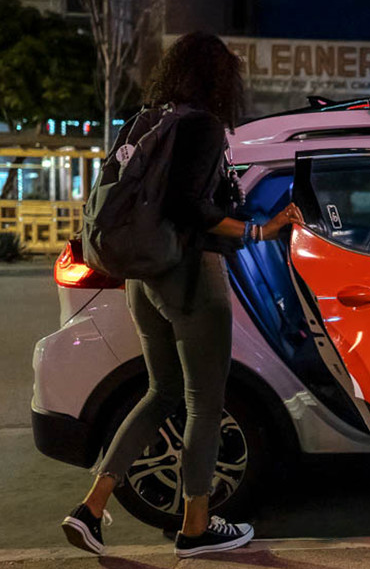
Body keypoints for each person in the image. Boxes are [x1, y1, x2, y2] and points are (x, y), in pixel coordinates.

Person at [60, 32, 303, 558]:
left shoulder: (151, 117)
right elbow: (193, 208)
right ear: (218, 77)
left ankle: (90, 509)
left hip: (144, 283)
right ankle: (196, 527)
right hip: (190, 277)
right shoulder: (203, 126)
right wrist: (261, 230)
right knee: (204, 405)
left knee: (162, 392)